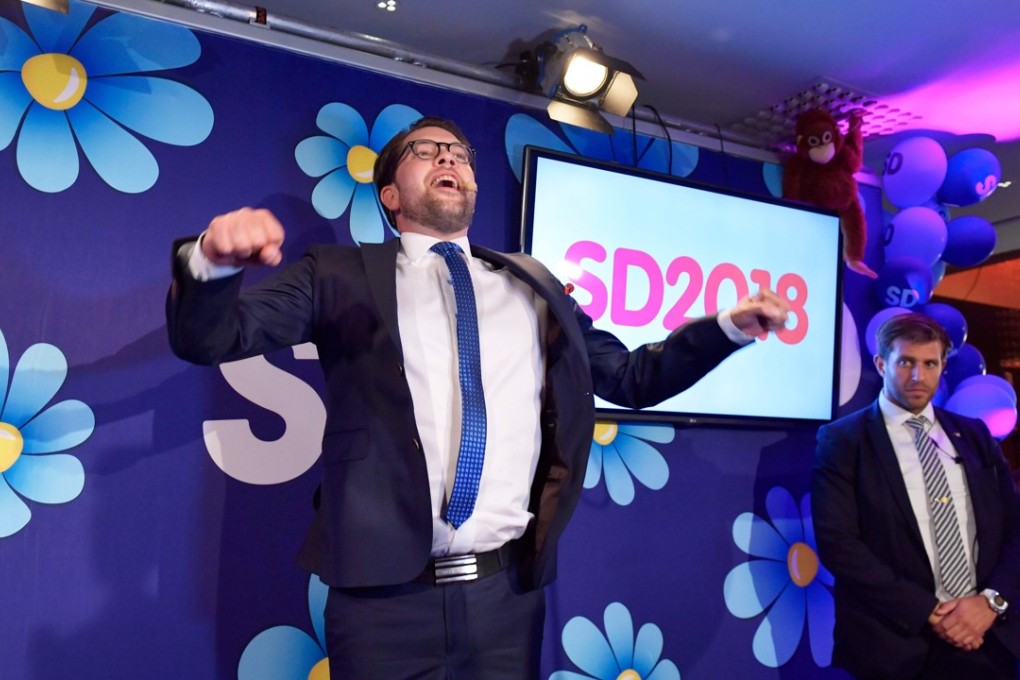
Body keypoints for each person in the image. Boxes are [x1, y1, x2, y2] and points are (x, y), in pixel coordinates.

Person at [167, 116, 790, 679]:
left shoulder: (535, 286)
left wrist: (727, 328)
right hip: (382, 603)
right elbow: (211, 337)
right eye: (424, 151)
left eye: (460, 153)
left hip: (506, 598)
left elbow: (632, 377)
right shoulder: (336, 273)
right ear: (390, 195)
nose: (448, 158)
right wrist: (211, 263)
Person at [812, 312, 1020, 679]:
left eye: (930, 364)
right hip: (893, 646)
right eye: (906, 362)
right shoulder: (844, 440)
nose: (918, 376)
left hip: (986, 640)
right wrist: (927, 610)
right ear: (881, 364)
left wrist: (991, 602)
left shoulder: (975, 436)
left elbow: (1015, 528)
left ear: (943, 366)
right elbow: (838, 544)